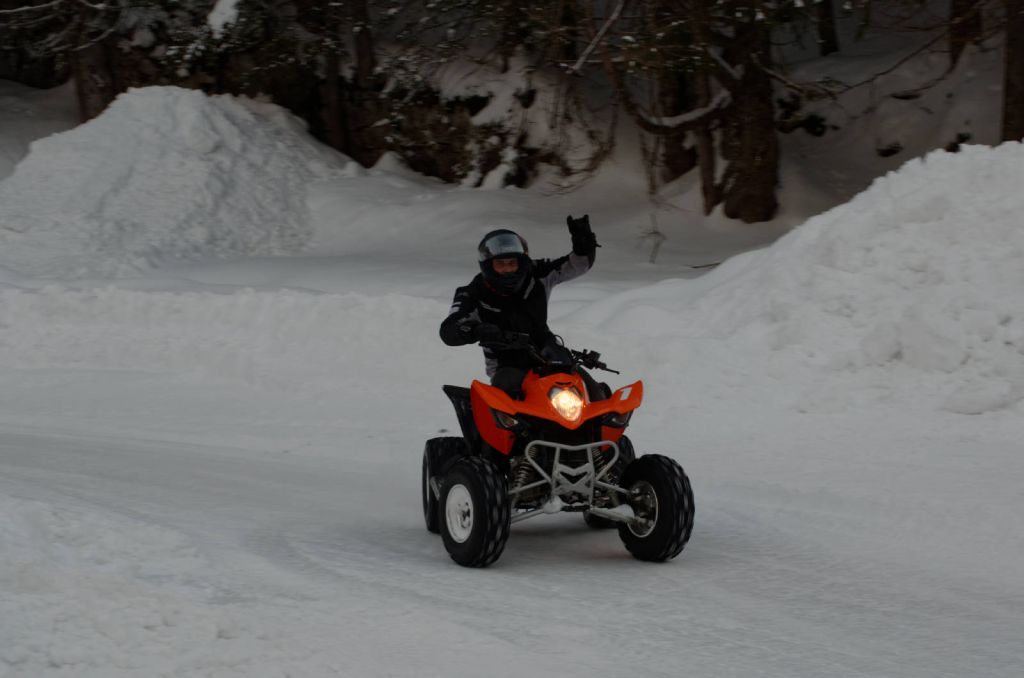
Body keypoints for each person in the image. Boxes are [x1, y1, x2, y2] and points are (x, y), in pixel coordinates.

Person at [439, 215, 603, 400]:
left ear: (522, 262)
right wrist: (476, 330)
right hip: (505, 364)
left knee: (594, 394)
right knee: (512, 406)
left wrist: (584, 244)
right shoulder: (472, 293)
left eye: (512, 263)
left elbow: (576, 266)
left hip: (549, 353)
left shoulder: (537, 273)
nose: (508, 269)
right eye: (500, 264)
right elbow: (448, 331)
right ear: (488, 266)